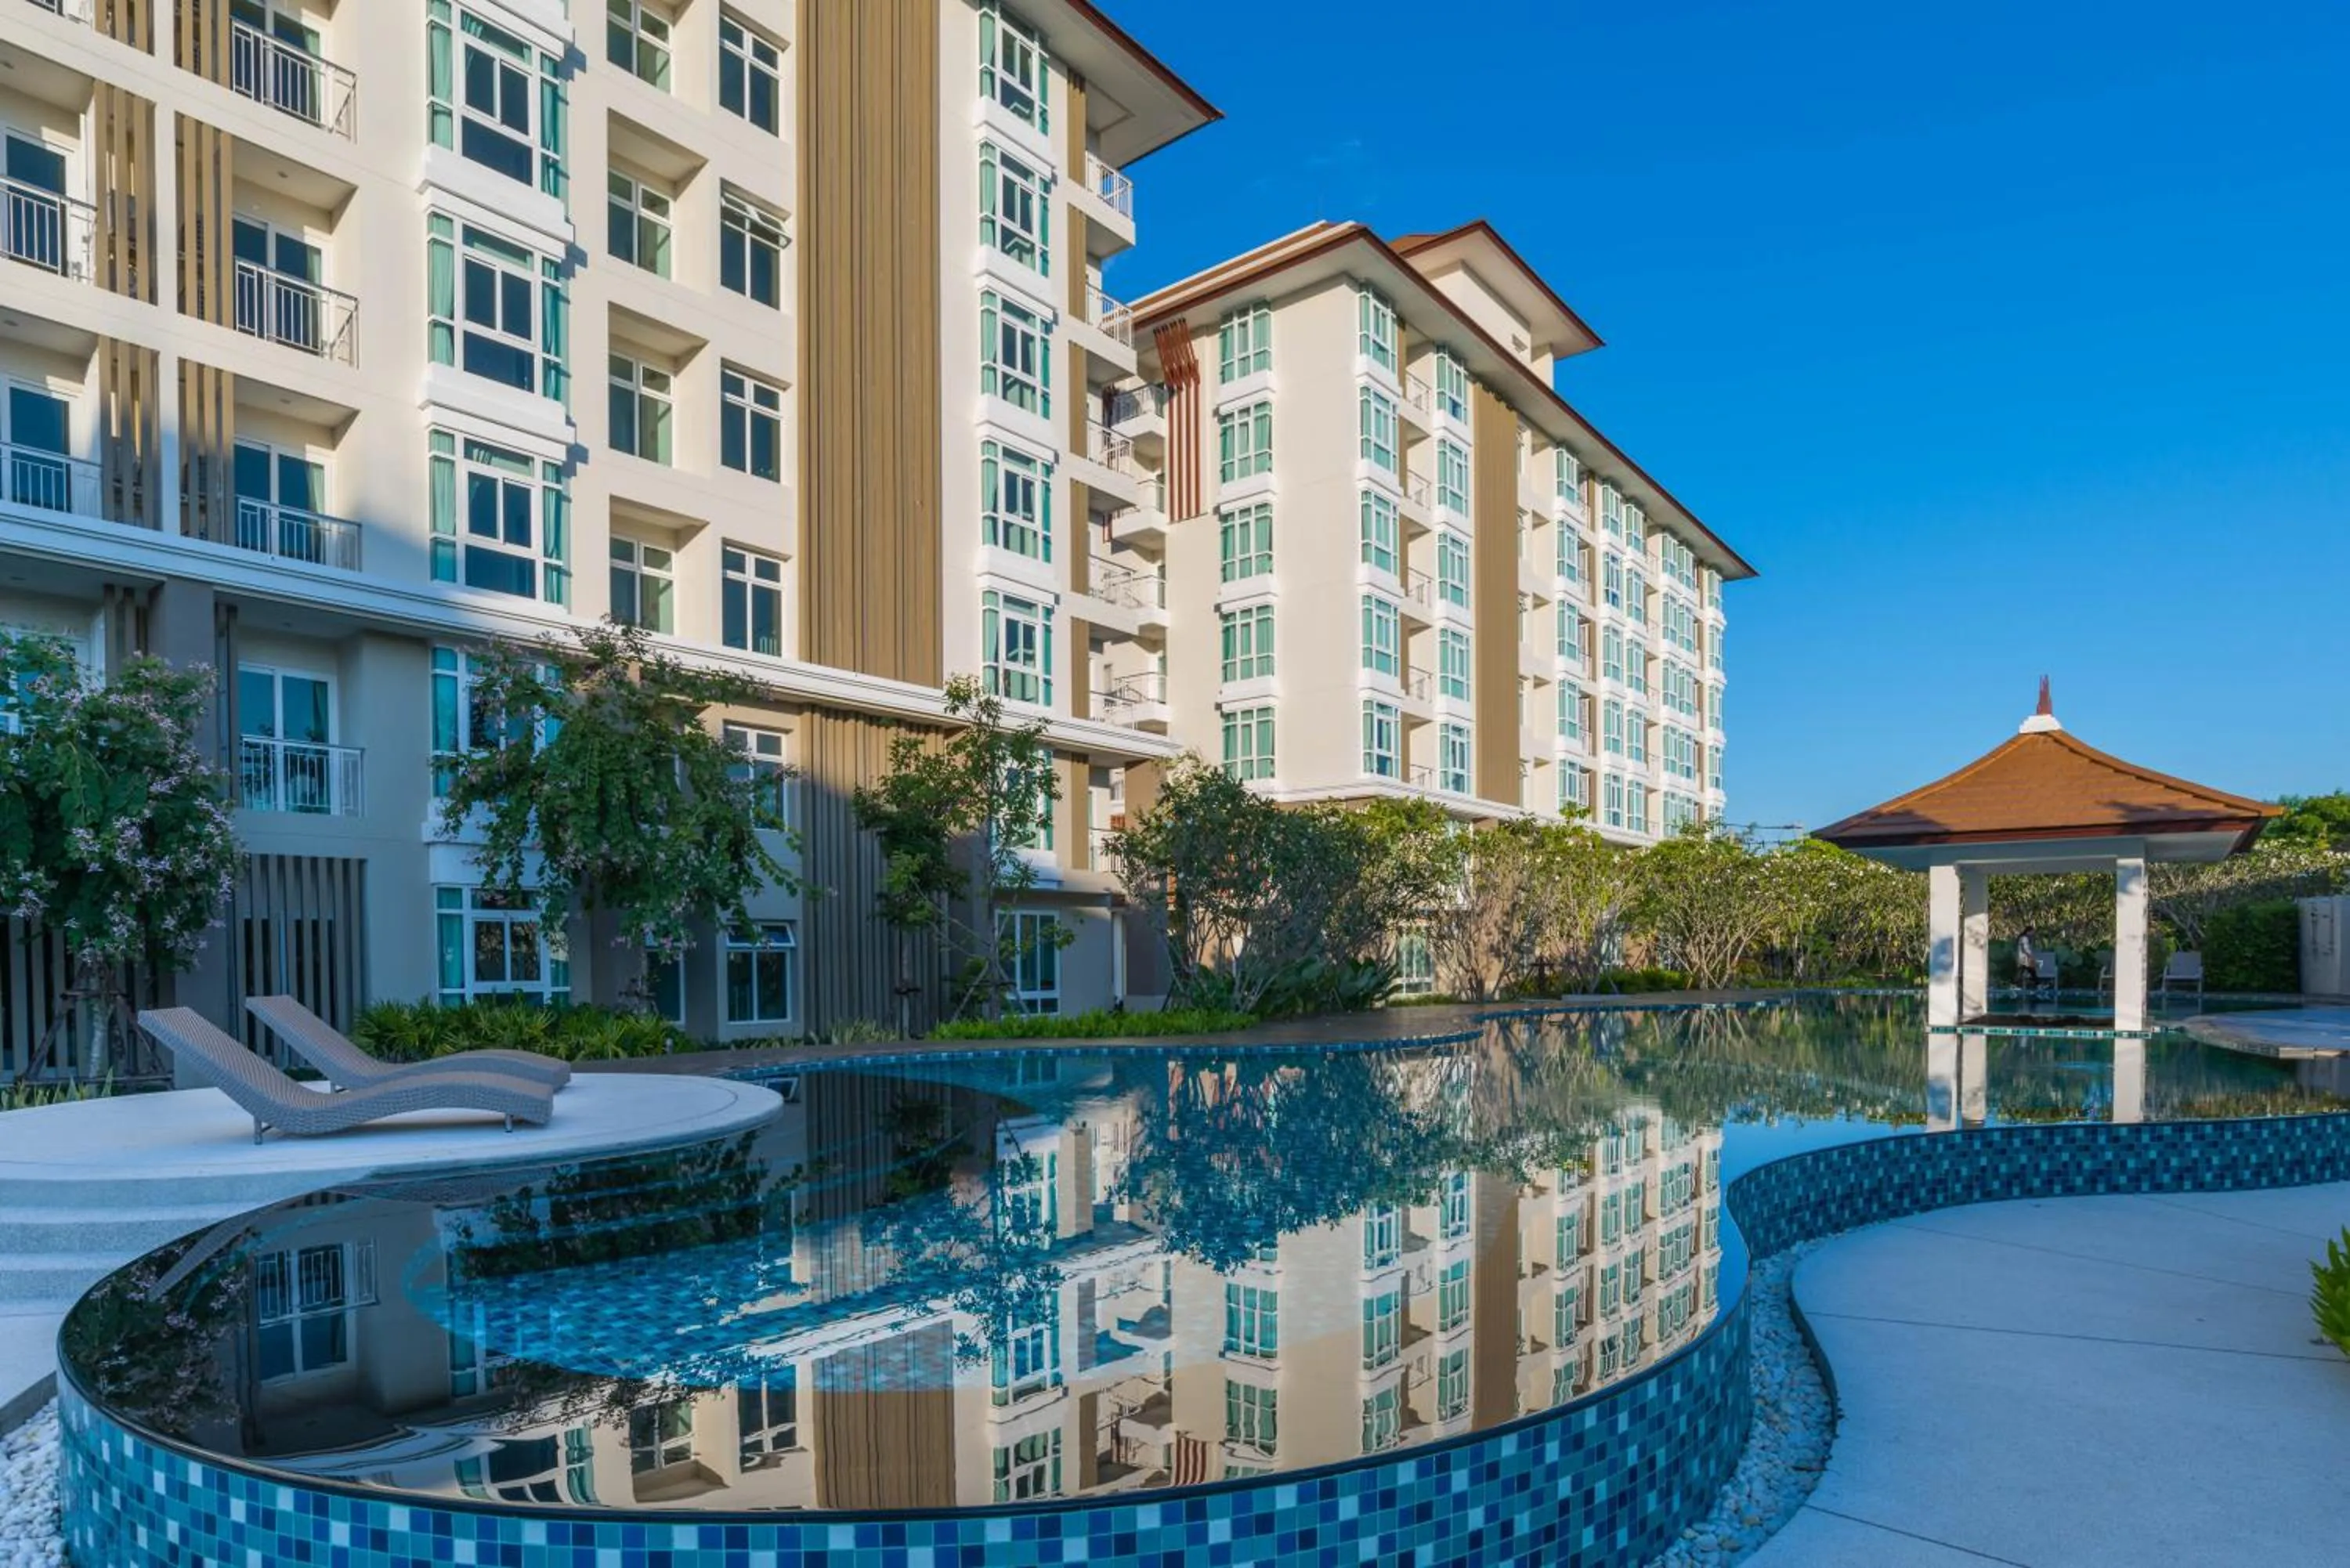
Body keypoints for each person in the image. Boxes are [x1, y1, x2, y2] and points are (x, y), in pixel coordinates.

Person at [2013, 927, 2039, 996]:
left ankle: (2037, 984)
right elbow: (2025, 949)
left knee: (2029, 970)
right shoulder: (2024, 938)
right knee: (2027, 970)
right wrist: (2030, 956)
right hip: (2024, 958)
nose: (2033, 934)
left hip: (2025, 958)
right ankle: (2015, 985)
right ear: (2028, 932)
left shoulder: (2024, 938)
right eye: (2032, 932)